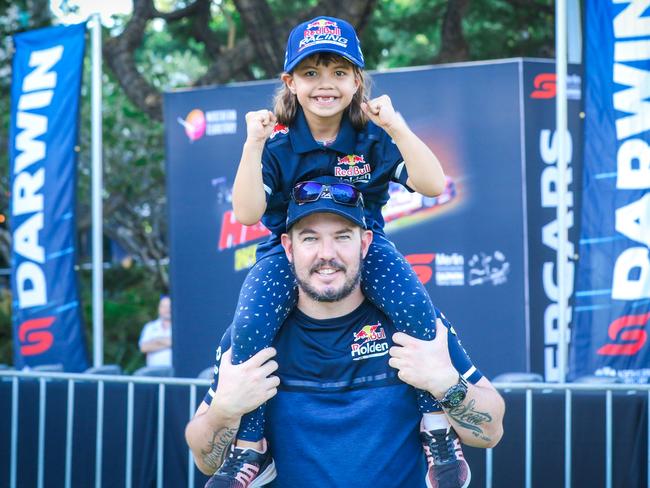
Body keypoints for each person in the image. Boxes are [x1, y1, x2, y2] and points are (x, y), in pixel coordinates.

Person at [219, 14, 455, 483]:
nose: (324, 84)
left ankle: (436, 430)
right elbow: (246, 214)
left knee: (417, 311)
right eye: (310, 73)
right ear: (290, 82)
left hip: (365, 249)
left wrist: (399, 127)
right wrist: (251, 145)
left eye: (338, 72)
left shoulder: (371, 135)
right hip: (288, 255)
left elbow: (433, 182)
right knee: (247, 329)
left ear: (356, 81)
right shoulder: (277, 141)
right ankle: (252, 448)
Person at [186, 184, 505, 487]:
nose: (327, 254)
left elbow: (489, 432)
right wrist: (224, 410)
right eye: (310, 239)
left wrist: (446, 383)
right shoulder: (255, 334)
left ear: (365, 243)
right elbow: (206, 461)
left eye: (342, 237)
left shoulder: (413, 325)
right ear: (288, 247)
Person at [138, 295, 172, 367]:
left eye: (169, 306)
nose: (167, 309)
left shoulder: (179, 328)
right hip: (153, 372)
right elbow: (143, 347)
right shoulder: (150, 327)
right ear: (159, 308)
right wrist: (168, 343)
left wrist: (156, 340)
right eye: (164, 306)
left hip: (174, 373)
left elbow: (177, 344)